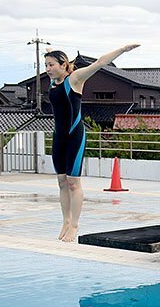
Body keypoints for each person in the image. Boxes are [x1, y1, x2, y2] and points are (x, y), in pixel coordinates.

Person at [45, 44, 140, 242]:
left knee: (73, 183)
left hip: (74, 136)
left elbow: (99, 63)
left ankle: (75, 225)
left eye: (51, 65)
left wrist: (122, 50)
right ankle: (65, 221)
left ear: (63, 65)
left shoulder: (75, 79)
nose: (47, 69)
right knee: (61, 181)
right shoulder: (52, 84)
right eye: (46, 65)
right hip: (58, 136)